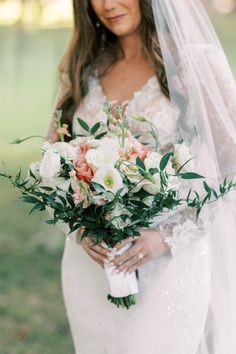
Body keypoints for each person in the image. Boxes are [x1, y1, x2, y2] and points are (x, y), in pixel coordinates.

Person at [46, 1, 236, 353]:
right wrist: (79, 229)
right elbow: (51, 166)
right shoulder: (82, 67)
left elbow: (233, 173)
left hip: (167, 265)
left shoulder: (194, 62)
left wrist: (166, 237)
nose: (107, 5)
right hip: (90, 268)